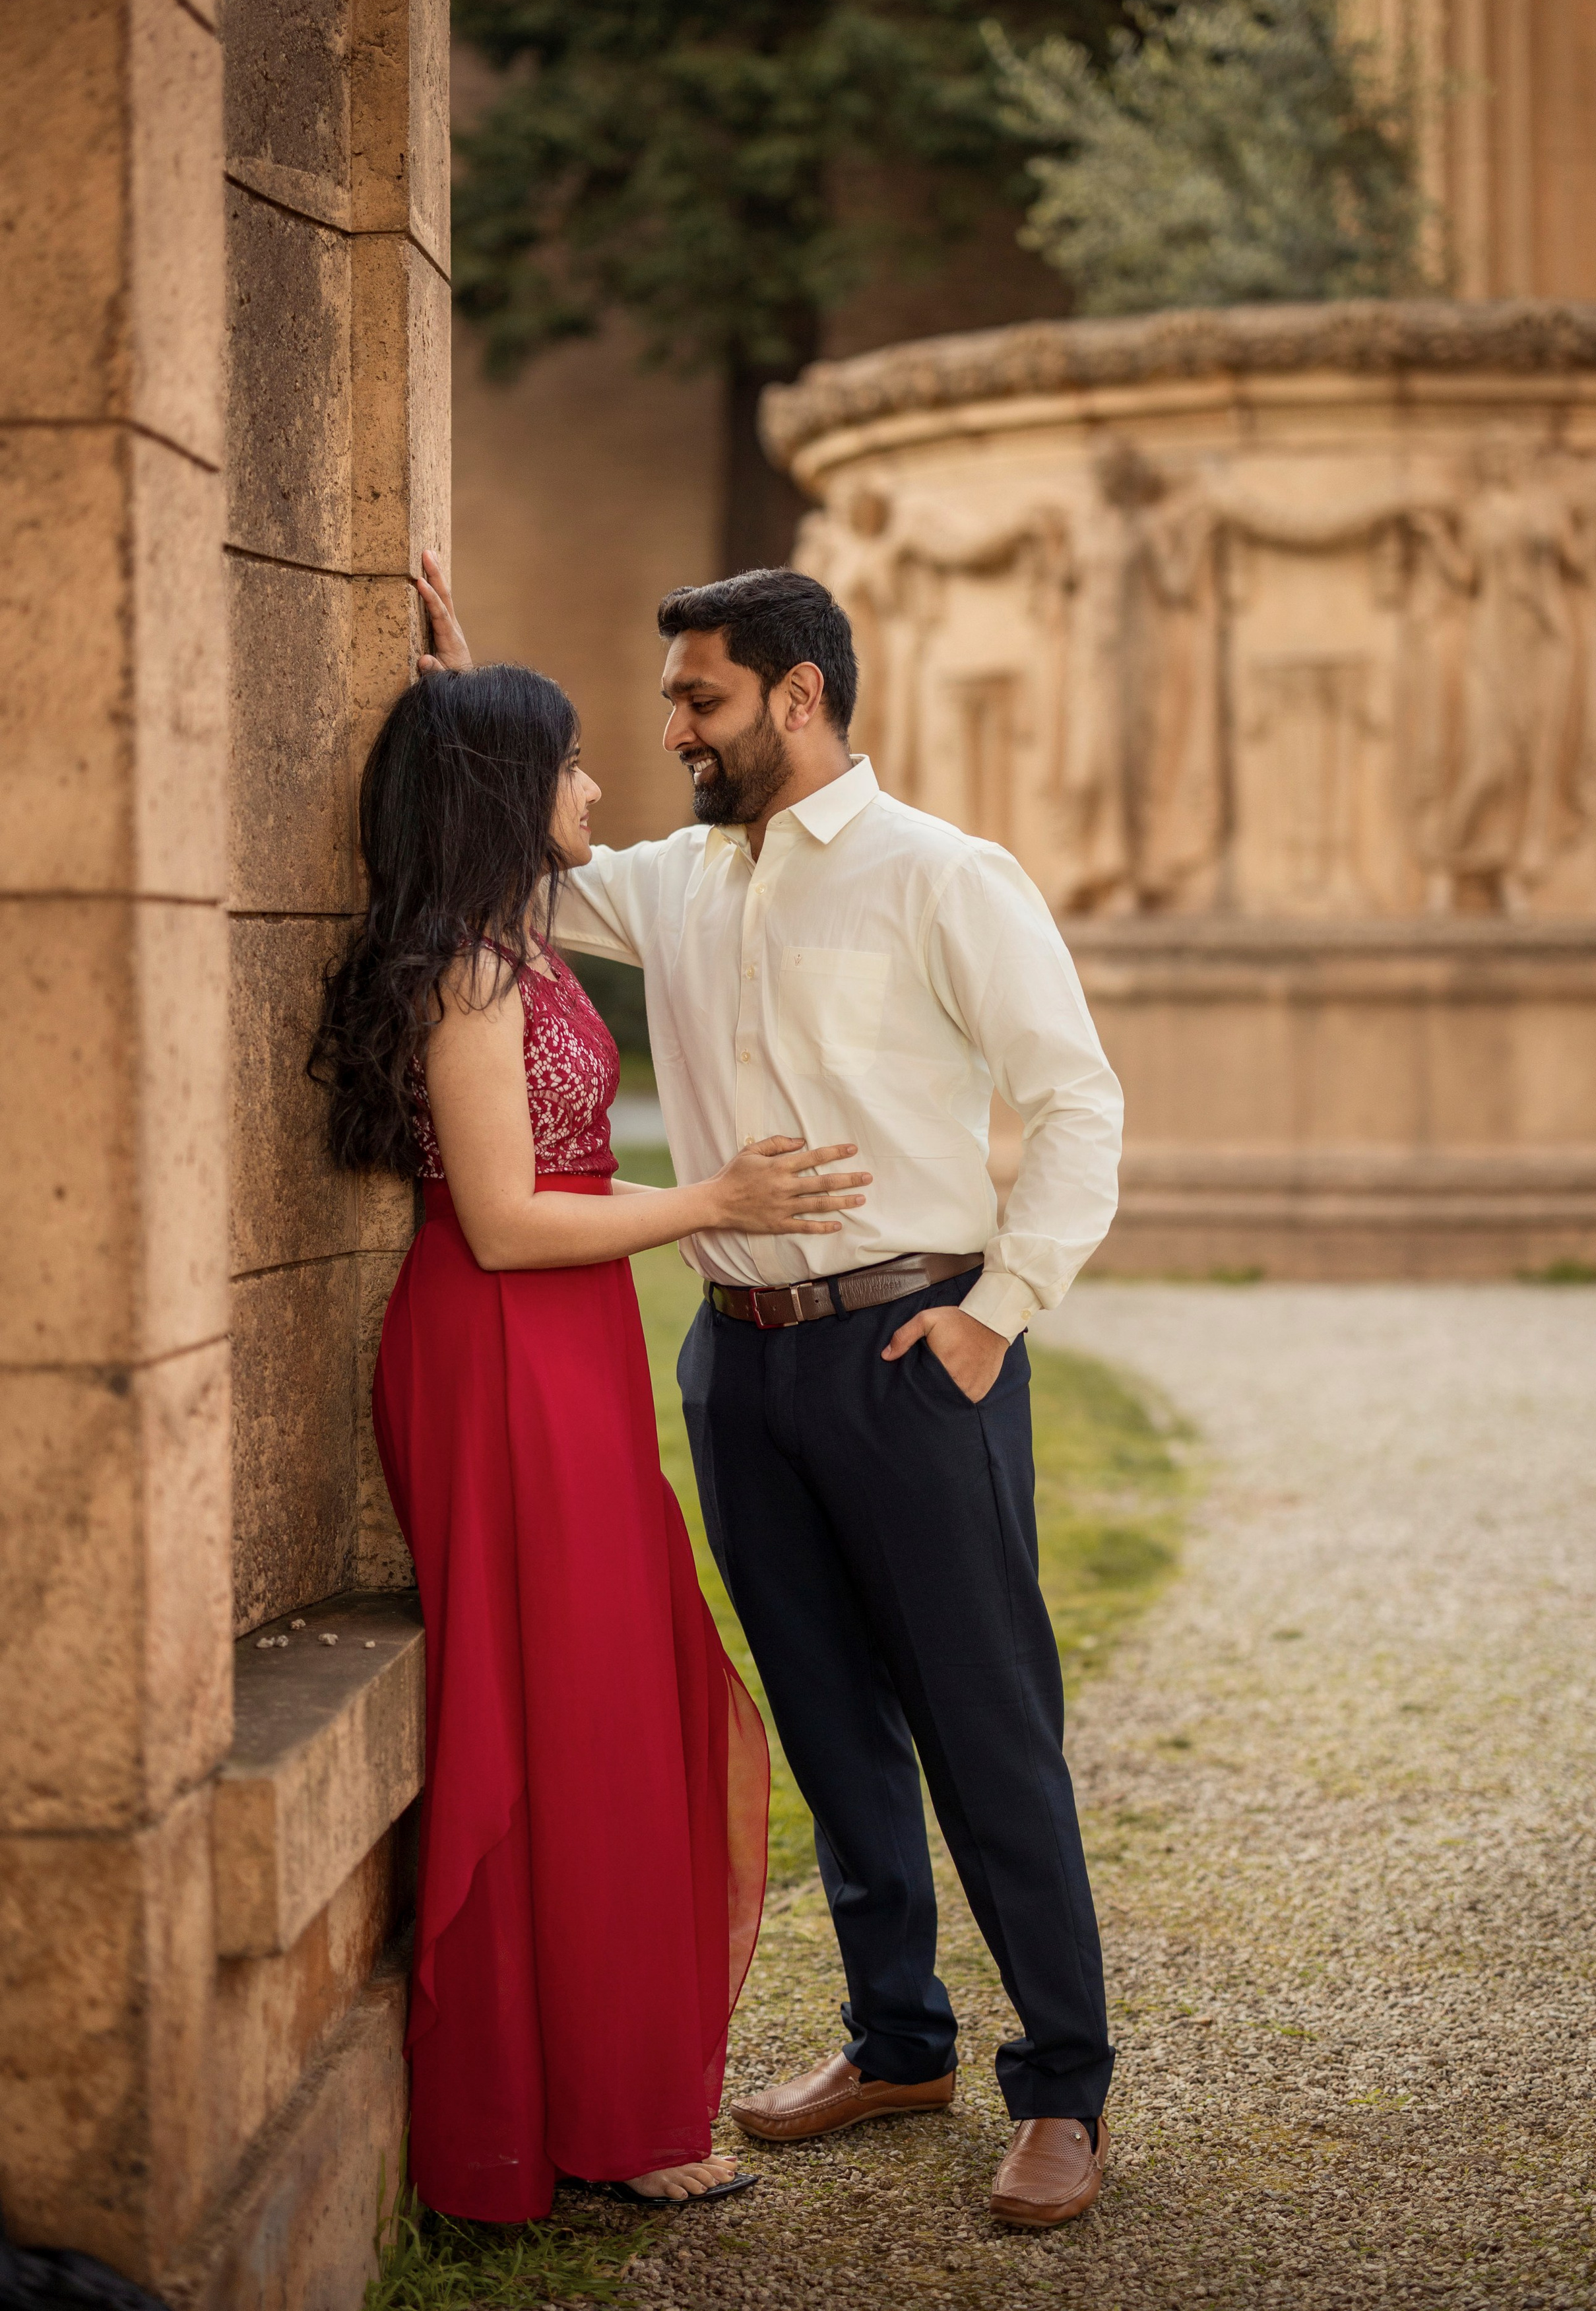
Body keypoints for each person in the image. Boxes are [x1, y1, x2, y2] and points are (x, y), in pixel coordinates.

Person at [416, 556, 1126, 2230]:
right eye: (670, 700)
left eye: (700, 699)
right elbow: (516, 844)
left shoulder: (942, 873)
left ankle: (1063, 2084)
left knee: (983, 1722)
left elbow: (1073, 1104)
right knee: (823, 1714)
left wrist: (996, 1315)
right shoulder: (667, 882)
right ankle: (897, 2040)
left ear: (797, 696)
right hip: (736, 1364)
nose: (671, 730)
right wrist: (460, 699)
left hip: (912, 1351)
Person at [307, 660, 874, 2221]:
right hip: (497, 1351)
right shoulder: (467, 974)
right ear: (506, 789)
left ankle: (603, 2095)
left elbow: (551, 1186)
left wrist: (460, 653)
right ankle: (563, 2118)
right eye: (565, 765)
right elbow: (500, 1223)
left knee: (607, 1689)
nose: (595, 787)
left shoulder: (513, 943)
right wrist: (712, 1203)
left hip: (565, 1348)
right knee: (563, 1706)